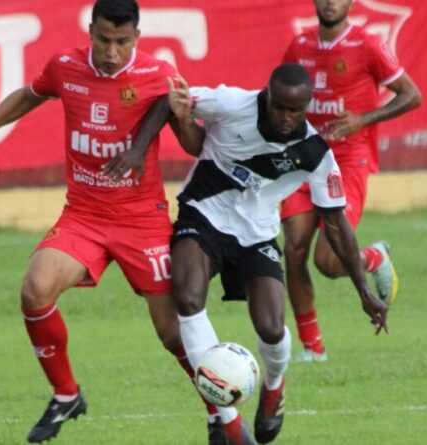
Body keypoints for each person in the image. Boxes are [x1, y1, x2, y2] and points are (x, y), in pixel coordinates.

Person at [0, 1, 225, 443]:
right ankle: (66, 394)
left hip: (142, 220)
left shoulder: (157, 74)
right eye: (104, 39)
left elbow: (195, 144)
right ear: (91, 31)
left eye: (122, 42)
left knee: (171, 332)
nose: (111, 51)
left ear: (136, 38)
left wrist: (182, 114)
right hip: (83, 215)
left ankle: (218, 414)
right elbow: (29, 95)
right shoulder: (65, 66)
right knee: (35, 289)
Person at [155, 65, 389, 445]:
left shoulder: (314, 153)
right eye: (278, 106)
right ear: (265, 96)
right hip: (203, 214)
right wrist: (174, 121)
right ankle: (229, 423)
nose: (285, 117)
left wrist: (363, 289)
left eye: (294, 110)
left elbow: (335, 224)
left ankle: (275, 384)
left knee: (270, 327)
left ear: (306, 107)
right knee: (188, 298)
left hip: (257, 233)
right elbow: (173, 103)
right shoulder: (232, 103)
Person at [280, 0, 422, 362]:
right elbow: (280, 100)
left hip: (346, 161)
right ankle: (313, 347)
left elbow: (412, 95)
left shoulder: (368, 45)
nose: (330, 2)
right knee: (294, 249)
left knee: (328, 262)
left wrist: (363, 119)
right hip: (304, 159)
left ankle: (373, 256)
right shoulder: (300, 46)